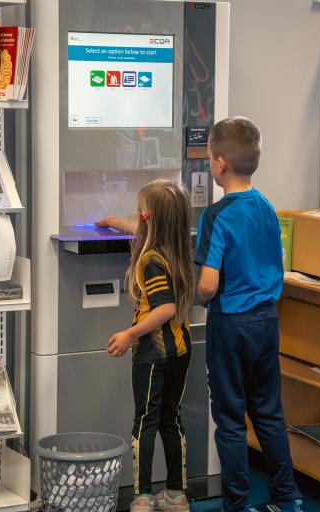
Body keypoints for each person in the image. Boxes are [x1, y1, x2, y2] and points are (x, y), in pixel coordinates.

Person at [195, 117, 302, 512]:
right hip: (266, 321)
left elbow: (207, 284)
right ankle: (286, 497)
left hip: (230, 325)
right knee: (269, 413)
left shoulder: (216, 215)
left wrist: (198, 300)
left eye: (209, 157)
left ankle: (237, 504)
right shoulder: (267, 209)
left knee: (230, 418)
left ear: (219, 164)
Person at [101, 180, 195, 512]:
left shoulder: (151, 260)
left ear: (148, 218)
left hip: (153, 353)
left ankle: (141, 496)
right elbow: (139, 227)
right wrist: (113, 222)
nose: (136, 217)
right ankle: (176, 494)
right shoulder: (179, 247)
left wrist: (129, 335)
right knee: (171, 418)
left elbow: (165, 308)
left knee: (145, 421)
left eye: (139, 212)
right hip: (181, 349)